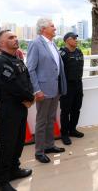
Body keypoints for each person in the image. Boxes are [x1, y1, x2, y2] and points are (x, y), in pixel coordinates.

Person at [0, 30, 35, 191]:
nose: (15, 39)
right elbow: (12, 86)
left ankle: (13, 170)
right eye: (11, 37)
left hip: (21, 107)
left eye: (15, 36)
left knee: (18, 142)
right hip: (9, 109)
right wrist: (29, 98)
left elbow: (27, 79)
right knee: (7, 145)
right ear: (2, 44)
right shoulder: (1, 61)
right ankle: (1, 181)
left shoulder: (16, 59)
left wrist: (29, 96)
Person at [27, 18, 67, 164]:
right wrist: (37, 90)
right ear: (43, 29)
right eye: (52, 26)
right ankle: (39, 151)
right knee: (42, 120)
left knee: (51, 118)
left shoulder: (52, 43)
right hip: (43, 90)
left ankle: (49, 145)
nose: (55, 28)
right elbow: (30, 69)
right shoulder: (35, 44)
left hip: (55, 88)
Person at [59, 32, 84, 145]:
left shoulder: (79, 52)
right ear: (67, 40)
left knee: (76, 108)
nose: (76, 40)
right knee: (65, 111)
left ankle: (72, 130)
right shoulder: (62, 54)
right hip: (67, 86)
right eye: (74, 38)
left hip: (78, 84)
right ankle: (64, 134)